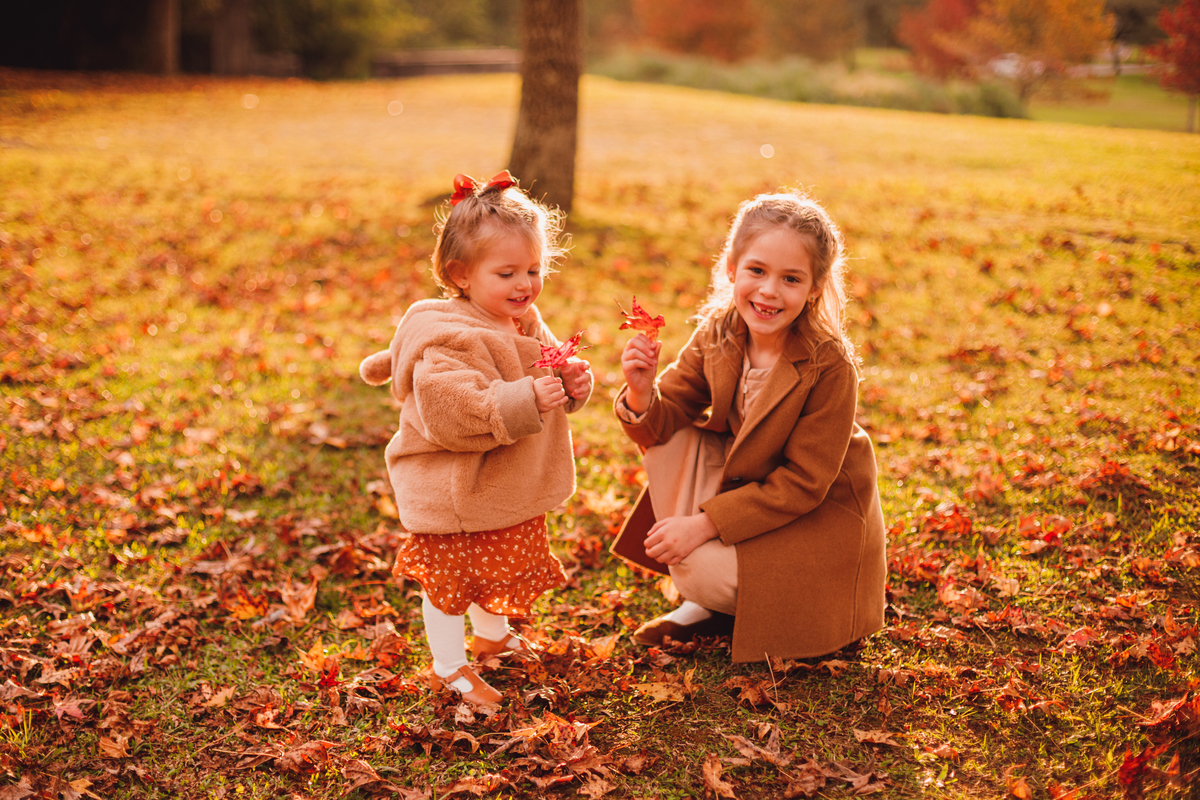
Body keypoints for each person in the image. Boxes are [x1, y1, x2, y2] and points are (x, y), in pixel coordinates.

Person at [611, 190, 886, 664]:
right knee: (671, 437)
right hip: (751, 486)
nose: (768, 292)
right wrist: (640, 391)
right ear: (731, 268)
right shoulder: (721, 330)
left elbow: (803, 484)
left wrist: (702, 526)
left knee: (694, 565)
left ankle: (755, 601)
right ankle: (714, 605)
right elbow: (667, 412)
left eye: (791, 278)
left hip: (814, 517)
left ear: (815, 288)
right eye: (757, 271)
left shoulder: (829, 363)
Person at [359, 171, 593, 705]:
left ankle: (490, 637)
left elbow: (549, 375)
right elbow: (453, 410)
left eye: (534, 270)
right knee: (452, 584)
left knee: (496, 565)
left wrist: (572, 384)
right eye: (507, 272)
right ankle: (448, 666)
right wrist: (523, 400)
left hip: (499, 483)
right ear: (460, 275)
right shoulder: (450, 340)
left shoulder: (524, 319)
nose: (525, 284)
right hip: (456, 488)